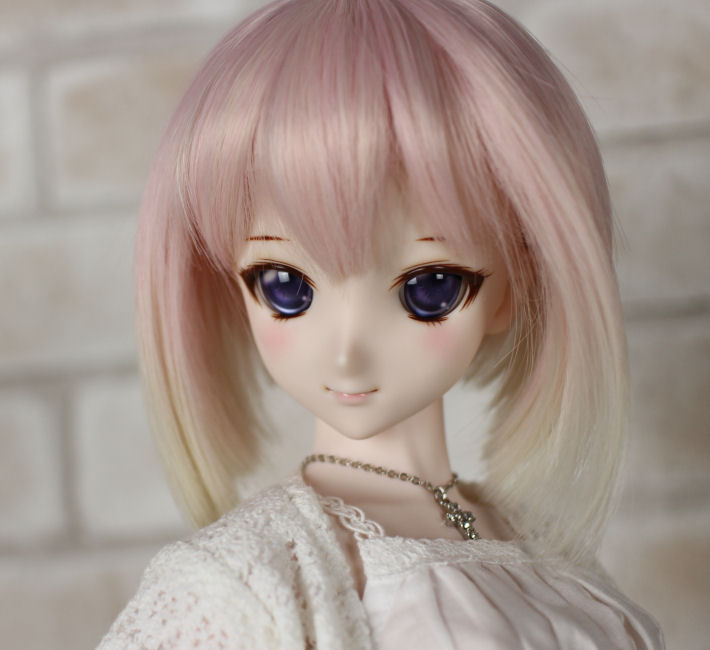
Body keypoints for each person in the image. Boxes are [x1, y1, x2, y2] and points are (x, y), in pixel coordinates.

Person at [99, 0, 664, 647]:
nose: (347, 354)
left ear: (515, 289)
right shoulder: (234, 585)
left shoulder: (538, 547)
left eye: (430, 288)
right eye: (285, 287)